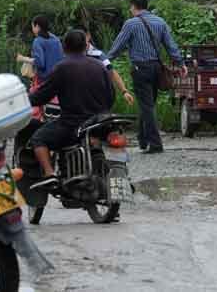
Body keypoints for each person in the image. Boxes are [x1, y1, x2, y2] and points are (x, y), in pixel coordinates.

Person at [27, 30, 115, 191]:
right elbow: (111, 97)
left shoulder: (62, 68)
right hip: (100, 122)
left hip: (72, 124)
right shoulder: (99, 66)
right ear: (85, 46)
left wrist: (26, 100)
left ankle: (49, 174)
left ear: (64, 47)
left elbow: (42, 95)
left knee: (38, 139)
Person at [106, 0, 187, 154]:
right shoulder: (160, 22)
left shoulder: (131, 24)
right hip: (156, 68)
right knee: (148, 105)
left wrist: (105, 61)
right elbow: (170, 45)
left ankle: (155, 144)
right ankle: (143, 140)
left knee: (147, 106)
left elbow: (118, 46)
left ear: (133, 6)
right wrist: (181, 63)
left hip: (140, 69)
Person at [81, 26, 134, 107]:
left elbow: (111, 71)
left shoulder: (98, 55)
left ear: (88, 36)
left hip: (96, 98)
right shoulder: (71, 55)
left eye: (82, 36)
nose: (80, 40)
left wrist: (124, 91)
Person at [16, 15, 65, 93]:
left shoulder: (38, 41)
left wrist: (24, 59)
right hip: (59, 78)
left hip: (45, 82)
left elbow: (40, 63)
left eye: (33, 27)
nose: (32, 29)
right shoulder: (56, 40)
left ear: (37, 27)